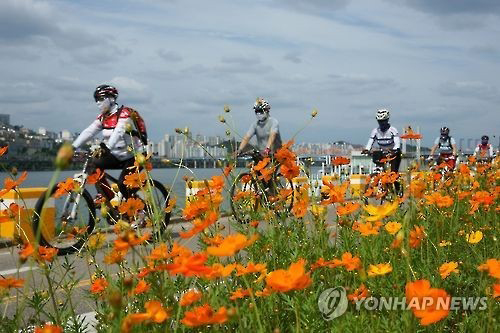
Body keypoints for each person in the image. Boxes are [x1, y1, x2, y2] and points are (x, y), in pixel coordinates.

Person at [72, 84, 145, 201]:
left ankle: (138, 211)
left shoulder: (125, 113)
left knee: (123, 183)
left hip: (135, 155)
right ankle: (108, 198)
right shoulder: (103, 117)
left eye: (101, 99)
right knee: (93, 166)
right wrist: (72, 147)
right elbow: (89, 131)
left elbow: (119, 131)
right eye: (96, 100)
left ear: (111, 98)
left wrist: (107, 146)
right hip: (117, 155)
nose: (98, 103)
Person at [361, 108, 402, 173]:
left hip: (393, 153)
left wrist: (395, 150)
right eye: (380, 121)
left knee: (393, 172)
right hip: (382, 152)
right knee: (378, 169)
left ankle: (395, 180)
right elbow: (370, 141)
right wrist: (367, 149)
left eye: (383, 121)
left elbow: (397, 142)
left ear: (387, 120)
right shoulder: (375, 131)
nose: (382, 123)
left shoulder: (393, 130)